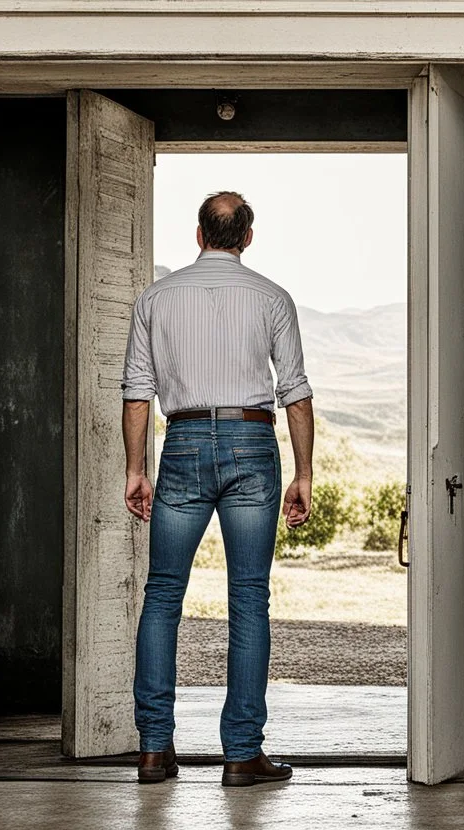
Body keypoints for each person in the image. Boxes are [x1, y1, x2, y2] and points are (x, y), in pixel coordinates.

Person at [120, 191, 315, 788]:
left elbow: (136, 391)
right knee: (249, 598)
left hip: (179, 446)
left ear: (199, 235)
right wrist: (304, 473)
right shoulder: (272, 298)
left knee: (162, 596)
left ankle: (154, 750)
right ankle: (241, 754)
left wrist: (137, 468)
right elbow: (297, 393)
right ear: (247, 238)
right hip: (252, 443)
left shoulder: (156, 297)